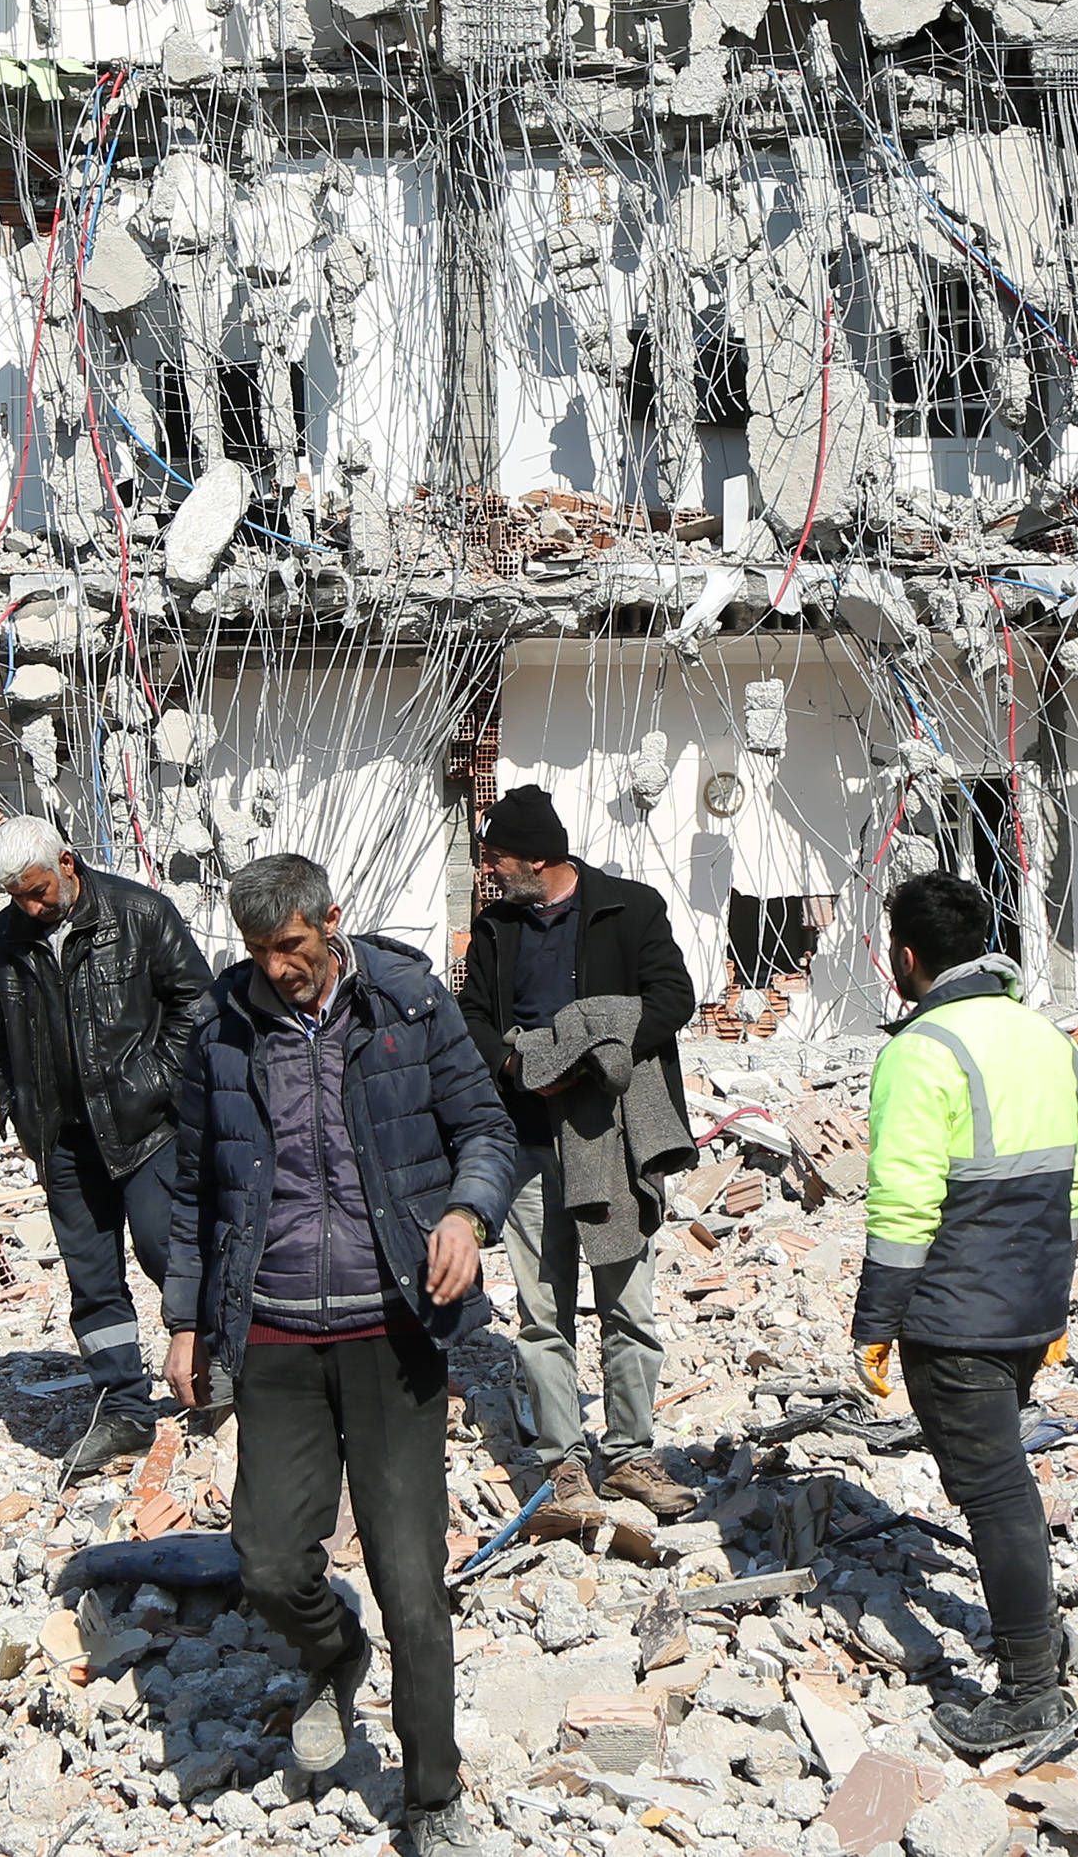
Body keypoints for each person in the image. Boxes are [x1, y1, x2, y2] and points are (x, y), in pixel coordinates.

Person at [165, 855, 517, 1856]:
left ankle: (430, 1797)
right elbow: (192, 1191)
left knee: (411, 1582)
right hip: (271, 1332)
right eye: (257, 952)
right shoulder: (218, 1031)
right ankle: (334, 1650)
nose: (276, 969)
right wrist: (184, 1319)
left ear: (329, 922)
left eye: (290, 947)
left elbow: (484, 1129)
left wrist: (464, 1212)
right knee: (270, 1563)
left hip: (392, 1331)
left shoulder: (406, 1002)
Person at [850, 871, 1078, 1757]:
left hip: (955, 1315)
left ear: (906, 958)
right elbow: (1074, 1184)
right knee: (1001, 1485)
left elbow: (904, 1206)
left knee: (993, 1493)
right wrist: (1052, 1300)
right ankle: (1038, 1630)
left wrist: (876, 1322)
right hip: (1029, 1302)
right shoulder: (1047, 1038)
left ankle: (1032, 1684)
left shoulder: (921, 1050)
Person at [456, 783, 701, 1521]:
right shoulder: (496, 926)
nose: (489, 871)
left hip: (610, 1140)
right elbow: (472, 1013)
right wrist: (512, 1065)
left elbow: (672, 1000)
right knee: (541, 1311)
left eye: (497, 858)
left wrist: (592, 1057)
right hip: (530, 1140)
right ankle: (562, 1462)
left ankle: (630, 1455)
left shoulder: (630, 907)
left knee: (627, 1305)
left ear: (537, 858)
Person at [0, 815, 215, 1478]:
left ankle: (215, 1375)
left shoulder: (140, 914)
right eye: (18, 897)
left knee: (168, 1246)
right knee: (92, 1279)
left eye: (37, 891)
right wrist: (18, 1109)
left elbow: (199, 1006)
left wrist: (155, 1084)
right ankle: (123, 1409)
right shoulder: (1, 941)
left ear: (68, 863)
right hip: (64, 1142)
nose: (30, 907)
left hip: (147, 1130)